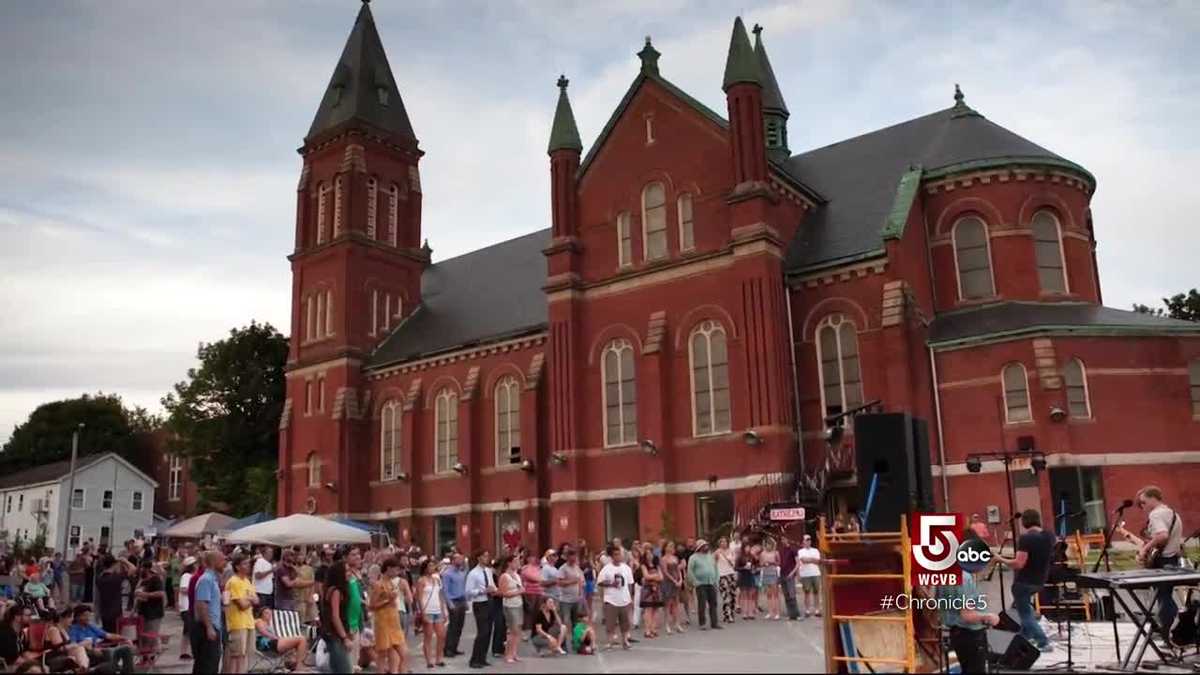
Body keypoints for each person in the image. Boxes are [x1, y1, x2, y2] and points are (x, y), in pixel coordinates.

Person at [937, 538, 1001, 674]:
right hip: (971, 635)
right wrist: (989, 617)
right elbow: (967, 615)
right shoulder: (964, 578)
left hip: (956, 634)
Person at [997, 509, 1055, 652]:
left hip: (1023, 582)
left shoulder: (1026, 539)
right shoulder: (1049, 536)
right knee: (1024, 609)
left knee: (1025, 615)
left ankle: (1043, 642)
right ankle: (1023, 639)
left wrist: (1000, 559)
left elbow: (1018, 563)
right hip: (1039, 580)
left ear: (1024, 522)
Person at [1137, 485, 1184, 642]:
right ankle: (1173, 630)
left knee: (1163, 598)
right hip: (1172, 559)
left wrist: (1145, 549)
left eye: (1143, 502)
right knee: (1165, 596)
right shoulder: (1173, 513)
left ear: (1152, 498)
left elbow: (1162, 535)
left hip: (1163, 560)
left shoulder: (1156, 514)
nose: (1142, 506)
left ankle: (1172, 632)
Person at [67, 604, 136, 674]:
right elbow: (74, 647)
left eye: (89, 615)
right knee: (109, 654)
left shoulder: (90, 626)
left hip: (99, 651)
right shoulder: (73, 630)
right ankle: (105, 668)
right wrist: (91, 649)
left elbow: (108, 635)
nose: (88, 618)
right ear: (78, 617)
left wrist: (125, 638)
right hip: (87, 655)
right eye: (85, 615)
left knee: (126, 649)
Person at [318, 560, 354, 674]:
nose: (350, 573)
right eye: (347, 571)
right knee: (344, 668)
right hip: (334, 634)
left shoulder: (337, 589)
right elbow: (335, 616)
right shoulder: (336, 591)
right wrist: (345, 637)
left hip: (336, 633)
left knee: (338, 666)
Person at [224, 553, 258, 673]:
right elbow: (242, 605)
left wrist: (249, 598)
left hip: (249, 622)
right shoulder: (233, 581)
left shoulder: (247, 581)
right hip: (237, 624)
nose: (248, 565)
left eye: (248, 563)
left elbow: (257, 600)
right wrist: (250, 599)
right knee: (236, 656)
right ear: (237, 567)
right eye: (245, 563)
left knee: (245, 655)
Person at [596, 545, 634, 650]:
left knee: (625, 622)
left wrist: (630, 598)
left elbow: (630, 583)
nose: (619, 556)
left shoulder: (626, 568)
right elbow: (600, 582)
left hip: (624, 599)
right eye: (616, 554)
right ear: (612, 556)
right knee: (610, 623)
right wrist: (610, 584)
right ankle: (610, 641)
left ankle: (625, 640)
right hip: (611, 599)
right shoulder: (607, 569)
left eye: (620, 554)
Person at [414, 558, 449, 669]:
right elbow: (419, 598)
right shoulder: (421, 580)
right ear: (425, 568)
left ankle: (439, 658)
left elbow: (440, 595)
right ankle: (429, 660)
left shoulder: (437, 580)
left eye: (433, 566)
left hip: (437, 610)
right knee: (428, 636)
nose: (431, 568)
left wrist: (443, 610)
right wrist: (422, 612)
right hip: (427, 610)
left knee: (441, 635)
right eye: (429, 566)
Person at [464, 550, 495, 669]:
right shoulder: (473, 574)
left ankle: (482, 658)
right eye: (484, 556)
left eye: (488, 556)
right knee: (482, 632)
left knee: (488, 632)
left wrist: (494, 589)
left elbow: (491, 584)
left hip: (489, 601)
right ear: (478, 558)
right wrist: (482, 591)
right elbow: (468, 592)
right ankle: (474, 659)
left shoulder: (488, 571)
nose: (486, 558)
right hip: (480, 603)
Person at [253, 606, 308, 671]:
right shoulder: (259, 621)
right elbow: (264, 632)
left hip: (271, 644)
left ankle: (292, 664)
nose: (269, 615)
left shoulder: (268, 624)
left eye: (270, 613)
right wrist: (277, 638)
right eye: (266, 613)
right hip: (267, 644)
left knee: (299, 643)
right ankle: (299, 666)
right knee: (301, 639)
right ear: (261, 614)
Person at [42, 607, 91, 673]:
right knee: (79, 649)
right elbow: (60, 649)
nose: (72, 619)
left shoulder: (63, 629)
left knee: (80, 649)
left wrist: (80, 644)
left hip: (63, 654)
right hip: (52, 657)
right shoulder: (53, 629)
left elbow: (68, 645)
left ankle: (83, 668)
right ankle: (83, 669)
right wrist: (78, 644)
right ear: (62, 618)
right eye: (70, 617)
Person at [687, 540, 721, 631]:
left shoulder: (710, 556)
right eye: (704, 545)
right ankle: (702, 623)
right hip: (700, 584)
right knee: (702, 604)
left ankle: (714, 623)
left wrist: (716, 580)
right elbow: (690, 571)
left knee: (713, 604)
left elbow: (715, 568)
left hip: (711, 583)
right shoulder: (693, 558)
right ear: (699, 547)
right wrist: (695, 582)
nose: (706, 547)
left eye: (707, 545)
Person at [95, 556, 135, 634]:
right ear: (114, 565)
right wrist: (124, 561)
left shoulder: (99, 578)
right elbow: (133, 568)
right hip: (115, 611)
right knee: (116, 633)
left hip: (104, 610)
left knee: (107, 634)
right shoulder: (116, 577)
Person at [0, 603, 43, 673]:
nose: (31, 618)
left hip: (16, 663)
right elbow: (12, 658)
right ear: (17, 617)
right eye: (28, 615)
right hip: (6, 667)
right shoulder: (5, 633)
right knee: (36, 669)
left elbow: (23, 652)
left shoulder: (20, 633)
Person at [498, 554, 525, 664]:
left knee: (518, 630)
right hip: (510, 605)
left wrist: (520, 591)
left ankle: (514, 653)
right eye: (516, 561)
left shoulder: (517, 575)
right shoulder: (505, 576)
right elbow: (503, 593)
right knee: (512, 630)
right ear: (509, 563)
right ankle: (508, 654)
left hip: (518, 603)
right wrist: (519, 592)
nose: (518, 564)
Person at [441, 553, 467, 659]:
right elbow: (445, 590)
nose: (461, 560)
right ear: (453, 560)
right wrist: (449, 603)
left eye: (462, 559)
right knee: (453, 626)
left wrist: (465, 601)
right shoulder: (447, 574)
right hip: (453, 601)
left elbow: (462, 588)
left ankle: (454, 647)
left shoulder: (461, 573)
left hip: (461, 600)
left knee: (459, 626)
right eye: (459, 559)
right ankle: (448, 649)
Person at [660, 542, 684, 634]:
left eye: (672, 546)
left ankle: (677, 623)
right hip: (668, 582)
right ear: (665, 548)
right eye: (669, 546)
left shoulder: (675, 558)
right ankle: (667, 625)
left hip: (677, 582)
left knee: (676, 604)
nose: (671, 548)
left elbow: (678, 569)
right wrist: (674, 580)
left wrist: (680, 579)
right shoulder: (663, 559)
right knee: (667, 604)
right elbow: (665, 572)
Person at [557, 548, 584, 629]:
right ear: (568, 557)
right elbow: (559, 582)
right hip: (565, 600)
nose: (574, 560)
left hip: (576, 599)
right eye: (572, 558)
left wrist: (581, 594)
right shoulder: (563, 568)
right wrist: (572, 581)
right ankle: (563, 639)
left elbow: (580, 581)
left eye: (575, 557)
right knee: (565, 621)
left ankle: (575, 639)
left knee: (576, 621)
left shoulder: (577, 568)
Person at [638, 553, 663, 639]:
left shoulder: (657, 566)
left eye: (651, 554)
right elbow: (646, 576)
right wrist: (655, 576)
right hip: (647, 590)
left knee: (655, 609)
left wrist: (653, 577)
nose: (650, 556)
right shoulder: (643, 566)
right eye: (648, 554)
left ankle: (653, 629)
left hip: (657, 589)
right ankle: (647, 630)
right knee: (648, 610)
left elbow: (661, 577)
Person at [797, 534, 822, 619]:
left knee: (816, 592)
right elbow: (803, 560)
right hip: (805, 574)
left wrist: (809, 560)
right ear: (803, 542)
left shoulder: (815, 550)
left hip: (815, 573)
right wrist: (812, 559)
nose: (808, 541)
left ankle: (817, 610)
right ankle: (807, 610)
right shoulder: (801, 551)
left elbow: (818, 561)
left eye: (809, 540)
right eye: (806, 540)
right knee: (807, 592)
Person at [176, 556, 196, 661]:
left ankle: (184, 651)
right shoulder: (186, 576)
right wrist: (195, 591)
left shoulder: (190, 576)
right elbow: (183, 589)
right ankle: (189, 650)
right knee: (190, 629)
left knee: (187, 630)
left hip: (188, 606)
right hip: (186, 606)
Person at [715, 537, 737, 624]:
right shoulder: (717, 552)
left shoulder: (731, 551)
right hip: (722, 575)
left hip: (731, 574)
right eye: (722, 542)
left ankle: (731, 612)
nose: (724, 543)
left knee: (732, 595)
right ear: (719, 543)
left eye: (725, 541)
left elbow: (734, 563)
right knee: (725, 595)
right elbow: (714, 563)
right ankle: (727, 615)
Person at [778, 537, 801, 621]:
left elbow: (798, 563)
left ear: (787, 540)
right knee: (786, 595)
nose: (782, 541)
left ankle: (797, 614)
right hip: (782, 574)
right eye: (781, 540)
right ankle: (790, 614)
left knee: (792, 595)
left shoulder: (793, 549)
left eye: (784, 539)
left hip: (790, 574)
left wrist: (793, 573)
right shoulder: (781, 550)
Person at [759, 538, 782, 620]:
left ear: (772, 545)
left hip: (773, 573)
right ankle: (770, 612)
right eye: (767, 544)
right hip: (766, 573)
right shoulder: (762, 553)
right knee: (768, 594)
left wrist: (773, 563)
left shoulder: (776, 553)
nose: (768, 546)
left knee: (775, 593)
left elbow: (779, 562)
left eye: (770, 545)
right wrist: (764, 564)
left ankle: (777, 612)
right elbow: (760, 563)